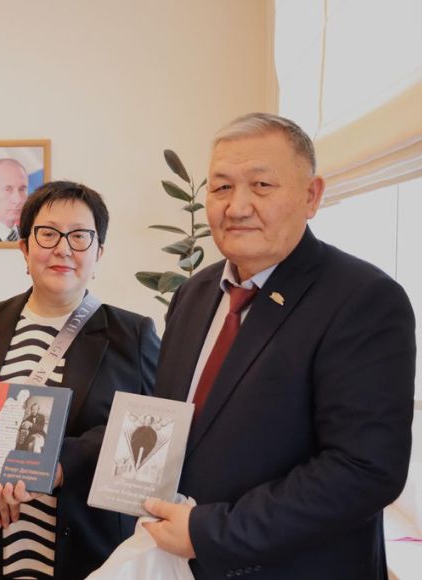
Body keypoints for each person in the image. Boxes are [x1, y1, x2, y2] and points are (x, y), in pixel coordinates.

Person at [143, 113, 416, 579]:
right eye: (222, 187)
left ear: (311, 196)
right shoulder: (194, 293)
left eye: (262, 185)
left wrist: (212, 532)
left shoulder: (364, 299)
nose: (237, 207)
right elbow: (173, 420)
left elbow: (364, 469)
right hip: (177, 564)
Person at [0, 181, 160, 580]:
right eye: (48, 234)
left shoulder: (132, 335)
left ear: (98, 252)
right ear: (24, 247)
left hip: (92, 550)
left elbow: (150, 432)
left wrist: (60, 464)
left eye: (79, 236)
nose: (63, 248)